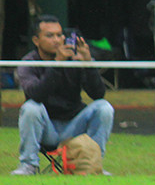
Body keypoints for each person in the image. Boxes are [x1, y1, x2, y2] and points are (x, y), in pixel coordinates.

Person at [11, 16, 114, 176]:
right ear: (36, 40)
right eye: (50, 36)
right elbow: (36, 94)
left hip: (74, 125)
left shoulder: (75, 59)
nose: (57, 40)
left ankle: (93, 163)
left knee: (104, 108)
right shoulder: (28, 63)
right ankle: (28, 165)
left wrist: (88, 65)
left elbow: (98, 94)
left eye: (59, 35)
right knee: (30, 108)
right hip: (46, 128)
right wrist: (57, 64)